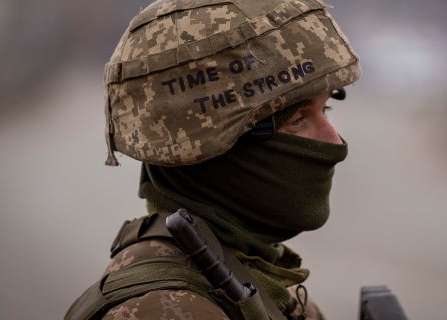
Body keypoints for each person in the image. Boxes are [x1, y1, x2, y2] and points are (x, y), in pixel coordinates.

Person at [65, 0, 360, 318]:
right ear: (211, 146)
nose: (334, 142)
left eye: (325, 109)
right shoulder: (167, 309)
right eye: (298, 119)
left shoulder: (249, 278)